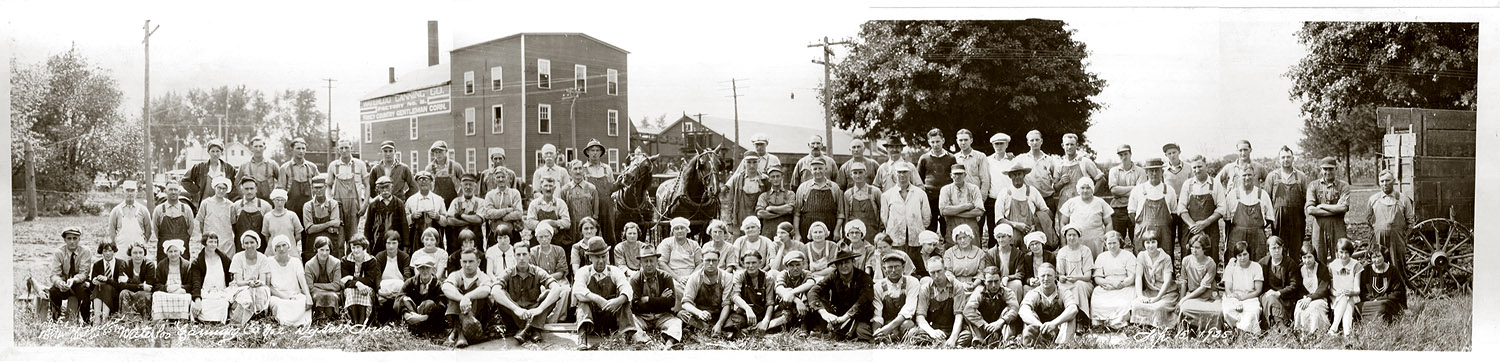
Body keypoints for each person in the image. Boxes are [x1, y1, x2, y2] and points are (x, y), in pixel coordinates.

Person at [491, 238, 567, 344]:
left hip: (534, 313)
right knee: (501, 293)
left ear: (529, 255)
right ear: (514, 256)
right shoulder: (508, 272)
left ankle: (526, 330)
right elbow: (494, 291)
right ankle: (535, 329)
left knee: (550, 293)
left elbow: (556, 288)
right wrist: (516, 308)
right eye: (518, 255)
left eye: (524, 254)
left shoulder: (537, 271)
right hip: (515, 314)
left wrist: (539, 309)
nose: (521, 258)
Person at [572, 237, 640, 343]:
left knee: (624, 301)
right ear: (590, 258)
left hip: (611, 317)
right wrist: (597, 299)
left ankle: (628, 336)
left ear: (607, 256)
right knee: (583, 303)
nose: (601, 261)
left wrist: (619, 300)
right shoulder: (584, 271)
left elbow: (627, 289)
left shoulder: (614, 271)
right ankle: (582, 337)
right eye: (597, 257)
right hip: (592, 320)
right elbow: (577, 291)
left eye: (603, 256)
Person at [810, 251, 875, 342]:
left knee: (862, 333)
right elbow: (814, 291)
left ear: (853, 262)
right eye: (840, 263)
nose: (844, 266)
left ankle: (835, 334)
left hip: (858, 316)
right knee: (819, 300)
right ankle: (826, 331)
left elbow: (864, 300)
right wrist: (824, 313)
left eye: (847, 262)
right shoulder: (833, 276)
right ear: (836, 266)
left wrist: (845, 317)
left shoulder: (864, 278)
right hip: (838, 315)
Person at [882, 163, 932, 277]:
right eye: (899, 172)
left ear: (910, 174)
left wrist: (916, 228)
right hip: (896, 239)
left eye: (905, 172)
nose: (902, 175)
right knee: (898, 268)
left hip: (915, 239)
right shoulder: (887, 195)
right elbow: (884, 218)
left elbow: (926, 217)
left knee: (917, 269)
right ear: (895, 175)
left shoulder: (920, 193)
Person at [632, 245, 686, 345]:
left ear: (657, 261)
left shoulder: (665, 277)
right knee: (631, 323)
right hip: (642, 317)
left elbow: (670, 302)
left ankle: (669, 342)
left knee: (676, 323)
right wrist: (661, 299)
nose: (649, 264)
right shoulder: (635, 279)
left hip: (662, 316)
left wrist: (648, 299)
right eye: (645, 261)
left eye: (651, 260)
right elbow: (635, 305)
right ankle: (646, 342)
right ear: (641, 263)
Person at [995, 162, 1055, 251]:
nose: (1017, 177)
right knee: (1013, 258)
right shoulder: (1004, 193)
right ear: (1010, 176)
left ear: (1024, 175)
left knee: (1030, 258)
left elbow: (1046, 211)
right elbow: (999, 219)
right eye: (1014, 175)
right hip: (1011, 234)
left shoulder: (1032, 191)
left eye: (1019, 174)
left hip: (1030, 233)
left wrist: (1036, 225)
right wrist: (1016, 225)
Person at [1263, 146, 1309, 262]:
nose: (1286, 160)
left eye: (1288, 157)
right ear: (1279, 160)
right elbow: (1266, 200)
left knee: (1296, 250)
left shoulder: (1301, 177)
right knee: (1279, 249)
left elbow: (1306, 198)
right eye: (1283, 157)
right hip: (1278, 220)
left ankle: (1296, 277)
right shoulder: (1272, 177)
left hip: (1297, 219)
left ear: (1293, 158)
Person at [908, 256, 966, 346]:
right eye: (932, 273)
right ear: (928, 272)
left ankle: (946, 342)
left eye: (939, 271)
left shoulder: (957, 286)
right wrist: (932, 332)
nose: (936, 276)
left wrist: (953, 337)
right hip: (933, 328)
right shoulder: (925, 288)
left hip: (951, 328)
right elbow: (920, 316)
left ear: (945, 269)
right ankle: (938, 342)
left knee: (966, 336)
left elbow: (959, 315)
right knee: (913, 333)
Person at [1367, 170, 1415, 277]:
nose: (1385, 183)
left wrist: (1403, 236)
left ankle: (1400, 287)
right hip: (1379, 239)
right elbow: (1369, 221)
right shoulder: (1373, 199)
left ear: (1393, 181)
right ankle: (1381, 287)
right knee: (1379, 263)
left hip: (1397, 240)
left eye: (1387, 180)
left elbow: (1410, 221)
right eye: (1382, 181)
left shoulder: (1403, 199)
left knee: (1398, 265)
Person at [442, 249, 492, 347]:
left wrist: (467, 297)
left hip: (477, 315)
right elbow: (445, 287)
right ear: (460, 262)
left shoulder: (483, 276)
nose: (467, 265)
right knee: (454, 292)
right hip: (461, 313)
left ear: (478, 262)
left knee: (477, 291)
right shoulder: (456, 274)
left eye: (471, 261)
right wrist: (462, 298)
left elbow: (486, 289)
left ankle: (457, 332)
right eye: (464, 262)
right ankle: (460, 332)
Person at [1178, 154, 1224, 262]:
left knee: (1211, 255)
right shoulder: (1187, 184)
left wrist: (1205, 223)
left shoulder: (1215, 184)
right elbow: (1181, 208)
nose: (1197, 170)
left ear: (1206, 166)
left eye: (1199, 166)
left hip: (1210, 228)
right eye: (1194, 167)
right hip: (1191, 229)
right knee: (1189, 256)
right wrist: (1193, 225)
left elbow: (1221, 208)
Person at [1019, 263, 1079, 346]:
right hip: (1040, 332)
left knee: (1071, 316)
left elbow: (1073, 308)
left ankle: (1064, 346)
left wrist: (1054, 324)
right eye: (1043, 276)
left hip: (1059, 331)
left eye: (1049, 275)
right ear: (1038, 277)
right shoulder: (1034, 293)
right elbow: (1023, 310)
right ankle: (1032, 345)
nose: (1046, 279)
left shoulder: (1064, 292)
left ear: (1055, 276)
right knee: (1029, 314)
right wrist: (1040, 326)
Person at [1128, 158, 1177, 257]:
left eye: (1157, 170)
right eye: (1151, 170)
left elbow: (1174, 214)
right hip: (1143, 234)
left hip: (1164, 235)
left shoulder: (1169, 190)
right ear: (1146, 172)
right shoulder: (1137, 190)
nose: (1154, 173)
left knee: (1164, 260)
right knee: (1142, 261)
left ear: (1162, 172)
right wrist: (1143, 225)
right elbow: (1131, 214)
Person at [1130, 230, 1178, 329]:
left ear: (1158, 243)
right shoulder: (1141, 256)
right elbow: (1138, 276)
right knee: (1136, 305)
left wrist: (1158, 298)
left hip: (1166, 292)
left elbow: (1167, 281)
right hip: (1150, 291)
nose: (1150, 245)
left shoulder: (1166, 258)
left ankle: (1160, 326)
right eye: (1147, 242)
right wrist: (1140, 295)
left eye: (1153, 242)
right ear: (1143, 244)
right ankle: (1144, 325)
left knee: (1158, 307)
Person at [1224, 166, 1275, 261]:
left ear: (1254, 176)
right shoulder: (1232, 195)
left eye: (1249, 175)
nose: (1247, 178)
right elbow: (1226, 219)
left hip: (1257, 237)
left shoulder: (1262, 194)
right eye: (1244, 175)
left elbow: (1269, 219)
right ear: (1239, 177)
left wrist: (1255, 228)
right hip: (1237, 235)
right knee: (1236, 263)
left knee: (1259, 263)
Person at [963, 265, 1021, 346]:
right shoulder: (979, 292)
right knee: (971, 314)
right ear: (984, 282)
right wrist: (985, 325)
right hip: (983, 327)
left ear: (1000, 280)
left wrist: (1000, 322)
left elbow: (1015, 309)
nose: (993, 285)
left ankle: (1007, 341)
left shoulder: (1007, 292)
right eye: (990, 282)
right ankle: (979, 340)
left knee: (1008, 311)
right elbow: (968, 310)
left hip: (1001, 326)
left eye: (996, 281)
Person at [1090, 232, 1138, 329]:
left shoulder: (1128, 256)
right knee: (1097, 295)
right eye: (1109, 243)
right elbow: (1097, 278)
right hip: (1107, 285)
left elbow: (1132, 277)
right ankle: (1100, 322)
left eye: (1114, 243)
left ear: (1120, 243)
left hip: (1124, 285)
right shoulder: (1101, 257)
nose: (1112, 246)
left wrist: (1121, 284)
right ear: (1105, 244)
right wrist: (1110, 284)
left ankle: (1118, 322)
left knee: (1124, 302)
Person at [1306, 157, 1350, 262]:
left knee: (1341, 256)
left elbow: (1343, 208)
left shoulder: (1343, 186)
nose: (1328, 172)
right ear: (1321, 170)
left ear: (1336, 169)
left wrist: (1322, 206)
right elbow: (1311, 210)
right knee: (1319, 257)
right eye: (1325, 169)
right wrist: (1335, 210)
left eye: (1331, 169)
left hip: (1338, 225)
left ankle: (1340, 278)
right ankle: (1322, 279)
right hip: (1319, 226)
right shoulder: (1313, 185)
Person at [329, 140, 370, 248]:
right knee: (339, 238)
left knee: (353, 238)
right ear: (338, 150)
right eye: (341, 148)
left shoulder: (360, 164)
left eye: (346, 147)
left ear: (351, 148)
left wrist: (365, 204)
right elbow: (328, 185)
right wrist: (329, 202)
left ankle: (352, 262)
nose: (344, 150)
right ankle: (340, 263)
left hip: (354, 205)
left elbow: (367, 185)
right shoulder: (334, 165)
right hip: (338, 205)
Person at [725, 251, 777, 338]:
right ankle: (751, 330)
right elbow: (735, 296)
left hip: (762, 314)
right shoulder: (739, 276)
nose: (751, 266)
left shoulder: (768, 278)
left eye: (754, 262)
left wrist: (766, 321)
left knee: (781, 318)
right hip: (744, 314)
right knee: (732, 323)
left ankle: (754, 329)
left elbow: (770, 302)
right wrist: (747, 309)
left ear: (760, 263)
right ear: (743, 263)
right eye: (747, 263)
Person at [48, 227, 94, 323]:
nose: (72, 241)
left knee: (85, 291)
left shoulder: (85, 251)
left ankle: (86, 320)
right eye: (69, 238)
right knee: (53, 291)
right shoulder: (59, 252)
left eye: (75, 238)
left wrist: (73, 280)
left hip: (79, 282)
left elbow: (84, 273)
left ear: (79, 239)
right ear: (64, 240)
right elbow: (54, 274)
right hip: (64, 282)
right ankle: (55, 319)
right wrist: (59, 283)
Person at [871, 251, 920, 341]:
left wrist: (889, 327)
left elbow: (909, 309)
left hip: (905, 322)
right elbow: (877, 314)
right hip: (888, 323)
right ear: (884, 268)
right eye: (890, 267)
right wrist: (877, 331)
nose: (893, 270)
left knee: (907, 325)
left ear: (903, 267)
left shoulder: (912, 282)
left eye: (897, 266)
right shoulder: (878, 286)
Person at [265, 236, 313, 326]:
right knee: (279, 305)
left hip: (294, 295)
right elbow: (268, 286)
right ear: (274, 249)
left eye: (284, 245)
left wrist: (308, 296)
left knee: (303, 301)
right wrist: (283, 297)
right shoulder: (269, 261)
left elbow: (302, 281)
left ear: (289, 246)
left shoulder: (296, 261)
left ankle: (301, 322)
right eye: (278, 246)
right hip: (277, 296)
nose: (282, 249)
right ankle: (285, 322)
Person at [1059, 178, 1112, 259]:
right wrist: (1064, 243)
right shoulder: (1071, 203)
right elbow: (1063, 223)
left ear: (1092, 189)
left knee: (1096, 264)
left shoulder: (1100, 202)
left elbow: (1108, 223)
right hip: (1077, 240)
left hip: (1096, 241)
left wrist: (1107, 241)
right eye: (1082, 188)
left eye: (1088, 188)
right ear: (1078, 189)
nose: (1085, 191)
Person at [1178, 234, 1222, 330]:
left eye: (1197, 248)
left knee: (1217, 312)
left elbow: (1203, 288)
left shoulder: (1210, 263)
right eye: (1192, 247)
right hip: (1192, 294)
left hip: (1208, 295)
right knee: (1184, 309)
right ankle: (1189, 329)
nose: (1194, 250)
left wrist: (1185, 299)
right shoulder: (1186, 261)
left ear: (1204, 249)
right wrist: (1181, 299)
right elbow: (1184, 281)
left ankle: (1210, 330)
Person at [227, 231, 272, 324]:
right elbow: (238, 281)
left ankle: (256, 316)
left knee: (260, 293)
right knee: (246, 298)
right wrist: (248, 283)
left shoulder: (263, 258)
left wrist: (257, 283)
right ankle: (239, 321)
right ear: (243, 245)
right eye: (246, 243)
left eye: (252, 242)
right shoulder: (237, 257)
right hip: (241, 287)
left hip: (258, 286)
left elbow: (263, 280)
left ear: (257, 243)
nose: (249, 245)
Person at [1053, 134, 1103, 216]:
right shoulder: (1059, 164)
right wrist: (1061, 182)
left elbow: (1101, 179)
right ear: (1063, 146)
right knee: (1064, 227)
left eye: (1072, 144)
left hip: (1082, 204)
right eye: (1067, 144)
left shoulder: (1085, 162)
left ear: (1077, 145)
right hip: (1064, 204)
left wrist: (1090, 195)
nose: (1069, 147)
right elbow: (1055, 188)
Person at [796, 157, 845, 240]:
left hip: (829, 228)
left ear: (825, 169)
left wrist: (836, 231)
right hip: (807, 229)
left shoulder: (834, 187)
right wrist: (797, 234)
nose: (817, 171)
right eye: (815, 169)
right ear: (811, 171)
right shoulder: (803, 187)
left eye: (820, 168)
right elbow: (797, 213)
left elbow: (840, 213)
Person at [1011, 130, 1060, 213]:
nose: (1035, 142)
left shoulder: (1049, 160)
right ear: (1028, 143)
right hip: (1029, 198)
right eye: (1032, 140)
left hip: (1047, 198)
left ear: (1041, 141)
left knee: (1048, 224)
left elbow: (1056, 179)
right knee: (1031, 224)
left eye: (1037, 140)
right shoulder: (1021, 159)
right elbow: (1011, 171)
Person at [1221, 241, 1264, 334]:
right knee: (1229, 310)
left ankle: (1245, 332)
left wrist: (1242, 298)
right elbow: (1228, 289)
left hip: (1250, 297)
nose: (1242, 258)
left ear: (1249, 254)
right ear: (1236, 256)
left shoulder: (1256, 267)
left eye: (1245, 254)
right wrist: (1235, 301)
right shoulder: (1231, 267)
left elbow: (1258, 290)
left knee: (1252, 313)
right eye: (1239, 255)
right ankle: (1233, 330)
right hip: (1233, 297)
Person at [918, 128, 956, 233]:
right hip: (929, 197)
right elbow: (919, 179)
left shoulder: (951, 158)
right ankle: (931, 247)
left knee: (946, 225)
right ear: (929, 142)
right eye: (933, 142)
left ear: (943, 140)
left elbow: (954, 178)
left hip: (946, 197)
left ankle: (947, 247)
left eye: (938, 141)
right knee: (930, 224)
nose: (935, 144)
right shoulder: (924, 158)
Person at [190, 232, 233, 323]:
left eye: (215, 242)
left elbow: (230, 275)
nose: (213, 244)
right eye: (210, 241)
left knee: (223, 304)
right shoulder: (197, 262)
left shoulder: (224, 259)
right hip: (205, 293)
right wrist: (197, 299)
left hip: (221, 292)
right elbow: (196, 282)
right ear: (204, 243)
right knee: (202, 306)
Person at [372, 231, 414, 324]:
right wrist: (379, 290)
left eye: (394, 243)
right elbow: (377, 276)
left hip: (399, 289)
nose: (391, 246)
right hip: (384, 289)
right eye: (388, 243)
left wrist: (402, 292)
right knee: (383, 302)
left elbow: (407, 276)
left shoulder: (404, 257)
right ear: (385, 244)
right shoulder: (380, 256)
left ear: (398, 243)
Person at [1055, 224, 1094, 322]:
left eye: (1074, 235)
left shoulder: (1085, 251)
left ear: (1078, 236)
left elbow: (1088, 276)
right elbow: (1060, 274)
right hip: (1068, 283)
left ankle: (1081, 318)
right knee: (1061, 286)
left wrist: (1076, 278)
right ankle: (1066, 317)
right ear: (1065, 237)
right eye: (1069, 235)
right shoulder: (1062, 252)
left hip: (1084, 283)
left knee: (1078, 286)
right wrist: (1061, 277)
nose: (1071, 238)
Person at [530, 224, 571, 319]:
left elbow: (561, 272)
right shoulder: (533, 252)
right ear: (537, 238)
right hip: (541, 282)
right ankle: (543, 317)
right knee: (544, 291)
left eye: (546, 236)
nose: (544, 239)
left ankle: (556, 319)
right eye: (541, 237)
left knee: (565, 290)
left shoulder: (559, 250)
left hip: (559, 280)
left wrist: (548, 277)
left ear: (551, 236)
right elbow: (533, 272)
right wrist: (544, 280)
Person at [1108, 145, 1145, 246]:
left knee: (1138, 239)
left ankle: (1138, 261)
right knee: (1117, 240)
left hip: (1136, 209)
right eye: (1121, 155)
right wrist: (1134, 188)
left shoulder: (1140, 171)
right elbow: (1114, 190)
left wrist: (1122, 191)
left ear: (1130, 154)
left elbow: (1141, 191)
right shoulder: (1114, 171)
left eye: (1125, 154)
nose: (1123, 157)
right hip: (1118, 209)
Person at [774, 250, 818, 334]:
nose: (795, 268)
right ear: (787, 267)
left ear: (803, 265)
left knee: (808, 296)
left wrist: (791, 293)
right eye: (791, 265)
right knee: (784, 317)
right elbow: (779, 289)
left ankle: (803, 328)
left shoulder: (806, 273)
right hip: (785, 307)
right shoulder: (783, 274)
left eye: (798, 265)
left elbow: (811, 283)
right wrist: (797, 300)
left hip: (803, 309)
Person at [1259, 236, 1300, 327]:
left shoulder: (1290, 263)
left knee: (1272, 301)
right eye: (1274, 248)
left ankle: (1279, 328)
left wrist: (1279, 293)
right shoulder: (1263, 263)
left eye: (1279, 248)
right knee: (1270, 299)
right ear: (1268, 249)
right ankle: (1283, 328)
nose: (1277, 251)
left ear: (1282, 248)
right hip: (1267, 295)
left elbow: (1294, 285)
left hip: (1285, 298)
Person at [444, 174, 490, 254]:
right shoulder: (455, 201)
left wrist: (461, 216)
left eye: (470, 185)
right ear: (461, 186)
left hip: (476, 241)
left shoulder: (480, 202)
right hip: (456, 242)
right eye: (465, 184)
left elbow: (479, 219)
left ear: (475, 186)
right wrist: (471, 221)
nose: (468, 187)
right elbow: (449, 220)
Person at [399, 256, 447, 334]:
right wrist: (406, 314)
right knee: (404, 299)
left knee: (429, 303)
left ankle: (423, 330)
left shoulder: (438, 285)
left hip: (429, 319)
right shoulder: (410, 282)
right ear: (417, 269)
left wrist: (422, 318)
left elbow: (442, 306)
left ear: (433, 269)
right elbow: (399, 298)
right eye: (421, 268)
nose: (425, 271)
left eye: (427, 268)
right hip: (412, 315)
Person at [726, 152, 770, 235]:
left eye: (754, 162)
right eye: (749, 162)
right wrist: (729, 222)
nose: (752, 165)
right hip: (739, 218)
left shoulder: (765, 180)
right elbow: (730, 201)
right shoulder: (737, 179)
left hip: (759, 220)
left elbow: (769, 201)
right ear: (744, 163)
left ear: (759, 162)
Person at [151, 183, 198, 261]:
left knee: (183, 269)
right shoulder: (159, 209)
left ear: (179, 192)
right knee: (163, 270)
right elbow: (156, 229)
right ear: (166, 191)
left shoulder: (186, 209)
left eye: (175, 190)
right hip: (164, 248)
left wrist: (183, 238)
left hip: (182, 246)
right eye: (170, 189)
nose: (173, 192)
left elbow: (190, 228)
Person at [984, 133, 1015, 247]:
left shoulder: (1013, 160)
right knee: (993, 230)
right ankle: (993, 258)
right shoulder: (987, 161)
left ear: (1007, 144)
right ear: (992, 145)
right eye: (996, 144)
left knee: (1008, 229)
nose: (999, 146)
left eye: (1002, 143)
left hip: (1009, 200)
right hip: (992, 200)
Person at [1359, 246, 1406, 323]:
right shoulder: (1366, 270)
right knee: (1358, 308)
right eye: (1374, 257)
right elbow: (1363, 291)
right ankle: (1372, 320)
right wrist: (1372, 300)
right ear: (1370, 258)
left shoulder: (1392, 270)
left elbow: (1398, 292)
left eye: (1379, 256)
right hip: (1370, 303)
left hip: (1388, 302)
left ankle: (1375, 320)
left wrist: (1379, 299)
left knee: (1382, 307)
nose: (1377, 260)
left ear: (1384, 255)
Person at [940, 164, 986, 243]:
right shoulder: (945, 189)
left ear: (965, 174)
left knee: (973, 251)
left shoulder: (974, 188)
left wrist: (954, 212)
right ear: (951, 175)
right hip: (952, 226)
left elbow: (979, 211)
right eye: (955, 174)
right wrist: (966, 206)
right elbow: (944, 211)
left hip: (971, 226)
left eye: (960, 174)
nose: (958, 176)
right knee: (952, 252)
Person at [1293, 243, 1333, 334]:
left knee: (1314, 308)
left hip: (1320, 298)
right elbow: (1298, 288)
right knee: (1300, 307)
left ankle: (1315, 334)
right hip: (1305, 299)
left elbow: (1323, 289)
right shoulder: (1299, 269)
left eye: (1309, 257)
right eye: (1304, 257)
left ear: (1314, 257)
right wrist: (1305, 298)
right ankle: (1301, 334)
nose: (1307, 260)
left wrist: (1310, 298)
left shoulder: (1322, 268)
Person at [279, 138, 320, 225]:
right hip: (291, 207)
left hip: (309, 207)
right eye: (298, 148)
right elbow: (281, 191)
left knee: (308, 231)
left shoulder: (312, 167)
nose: (301, 151)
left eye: (303, 148)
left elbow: (319, 187)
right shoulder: (285, 168)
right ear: (292, 149)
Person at [480, 169, 526, 247]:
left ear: (507, 178)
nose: (501, 179)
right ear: (494, 179)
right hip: (495, 232)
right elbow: (488, 214)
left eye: (503, 177)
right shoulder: (490, 195)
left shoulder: (514, 193)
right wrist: (506, 210)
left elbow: (518, 213)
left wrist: (502, 217)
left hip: (512, 232)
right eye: (498, 177)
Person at [303, 174, 344, 259]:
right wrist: (329, 224)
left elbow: (336, 226)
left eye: (320, 187)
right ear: (312, 189)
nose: (318, 190)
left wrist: (316, 227)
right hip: (313, 246)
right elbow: (310, 229)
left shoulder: (333, 204)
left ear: (325, 187)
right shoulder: (308, 206)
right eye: (316, 188)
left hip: (330, 245)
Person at [185, 139, 239, 204]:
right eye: (212, 151)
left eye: (217, 151)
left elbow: (236, 183)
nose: (215, 154)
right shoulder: (199, 167)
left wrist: (231, 196)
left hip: (223, 204)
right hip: (204, 203)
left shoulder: (229, 168)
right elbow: (185, 180)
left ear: (221, 152)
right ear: (208, 152)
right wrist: (196, 191)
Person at [304, 237, 344, 322]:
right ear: (316, 249)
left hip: (332, 292)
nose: (324, 253)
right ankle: (319, 317)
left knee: (331, 296)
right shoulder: (309, 265)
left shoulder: (336, 263)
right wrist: (324, 287)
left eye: (327, 250)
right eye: (321, 250)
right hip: (316, 293)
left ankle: (331, 318)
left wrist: (316, 285)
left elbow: (337, 286)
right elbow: (310, 287)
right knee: (318, 296)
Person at [560, 160, 601, 243]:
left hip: (588, 230)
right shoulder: (565, 190)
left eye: (580, 168)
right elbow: (562, 212)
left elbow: (595, 213)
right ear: (570, 171)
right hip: (571, 231)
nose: (578, 171)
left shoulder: (591, 188)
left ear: (583, 170)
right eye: (575, 169)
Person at [151, 239, 193, 321]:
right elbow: (156, 284)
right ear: (166, 253)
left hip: (180, 292)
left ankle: (182, 320)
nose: (173, 254)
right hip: (166, 292)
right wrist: (166, 288)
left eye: (175, 251)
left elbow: (191, 284)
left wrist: (181, 288)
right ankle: (160, 320)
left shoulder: (187, 265)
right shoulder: (161, 265)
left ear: (180, 251)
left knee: (186, 297)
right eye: (170, 251)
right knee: (157, 296)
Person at [366, 176, 410, 252]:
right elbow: (368, 225)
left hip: (395, 241)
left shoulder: (399, 203)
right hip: (377, 242)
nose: (385, 190)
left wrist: (406, 245)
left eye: (387, 187)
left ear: (392, 187)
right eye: (382, 188)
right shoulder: (373, 204)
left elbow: (404, 225)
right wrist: (367, 244)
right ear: (378, 189)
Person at [1327, 238, 1361, 336]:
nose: (1343, 255)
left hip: (1352, 295)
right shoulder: (1333, 265)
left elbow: (1357, 289)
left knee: (1346, 298)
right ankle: (1347, 332)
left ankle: (1334, 328)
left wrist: (1351, 292)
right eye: (1341, 252)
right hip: (1336, 297)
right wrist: (1334, 292)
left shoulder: (1356, 265)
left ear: (1350, 252)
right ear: (1337, 252)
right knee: (1344, 298)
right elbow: (1331, 288)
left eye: (1346, 252)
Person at [87, 242, 129, 323]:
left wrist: (107, 280)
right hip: (99, 293)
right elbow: (92, 286)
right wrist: (94, 281)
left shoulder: (121, 263)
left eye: (110, 251)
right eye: (105, 251)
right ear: (101, 252)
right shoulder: (97, 264)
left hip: (115, 295)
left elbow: (120, 285)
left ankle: (104, 318)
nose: (108, 254)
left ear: (114, 251)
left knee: (106, 287)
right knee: (98, 287)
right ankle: (97, 317)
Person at [943, 224, 985, 302]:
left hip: (974, 284)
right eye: (959, 238)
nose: (962, 240)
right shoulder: (949, 253)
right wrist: (960, 285)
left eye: (964, 237)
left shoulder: (980, 253)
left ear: (970, 237)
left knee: (978, 295)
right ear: (956, 240)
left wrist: (974, 284)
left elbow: (981, 273)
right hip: (955, 284)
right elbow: (948, 272)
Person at [407, 171, 447, 252]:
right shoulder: (411, 200)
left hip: (434, 238)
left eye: (426, 180)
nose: (423, 182)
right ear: (417, 182)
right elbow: (404, 222)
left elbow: (445, 222)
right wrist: (412, 216)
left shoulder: (438, 199)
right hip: (416, 239)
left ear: (431, 182)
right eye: (420, 180)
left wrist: (438, 217)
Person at [109, 181, 154, 251]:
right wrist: (117, 244)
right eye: (127, 190)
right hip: (121, 249)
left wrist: (142, 244)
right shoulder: (116, 211)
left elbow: (149, 231)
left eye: (132, 190)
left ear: (136, 192)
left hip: (138, 251)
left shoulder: (143, 210)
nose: (130, 193)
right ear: (123, 192)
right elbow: (112, 231)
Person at [232, 177, 273, 253]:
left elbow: (269, 228)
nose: (249, 191)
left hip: (261, 246)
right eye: (246, 189)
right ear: (242, 190)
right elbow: (233, 227)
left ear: (256, 189)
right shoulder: (235, 206)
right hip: (241, 246)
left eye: (251, 188)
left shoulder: (265, 206)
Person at [342, 237, 377, 325]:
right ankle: (354, 321)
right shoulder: (345, 261)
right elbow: (345, 281)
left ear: (363, 248)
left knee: (364, 291)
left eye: (358, 247)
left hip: (367, 288)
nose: (356, 250)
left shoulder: (371, 260)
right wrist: (357, 283)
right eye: (353, 248)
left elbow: (370, 281)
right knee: (351, 291)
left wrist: (352, 278)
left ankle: (363, 321)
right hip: (350, 288)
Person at [198, 177, 238, 256]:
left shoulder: (231, 205)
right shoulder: (206, 203)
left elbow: (233, 224)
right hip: (211, 240)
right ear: (214, 188)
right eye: (219, 188)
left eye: (224, 188)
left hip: (226, 241)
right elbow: (201, 222)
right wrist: (206, 236)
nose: (221, 190)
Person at [842, 162, 884, 238]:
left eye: (860, 172)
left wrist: (880, 230)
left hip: (872, 232)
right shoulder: (848, 194)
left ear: (866, 173)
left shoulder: (875, 192)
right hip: (855, 234)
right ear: (851, 175)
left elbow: (883, 212)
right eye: (855, 173)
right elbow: (846, 216)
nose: (858, 176)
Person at [657, 217, 703, 283]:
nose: (680, 231)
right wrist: (678, 278)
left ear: (687, 230)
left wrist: (691, 278)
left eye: (682, 228)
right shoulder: (667, 243)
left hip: (692, 277)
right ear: (672, 231)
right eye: (676, 228)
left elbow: (700, 264)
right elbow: (662, 263)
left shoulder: (694, 245)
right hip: (672, 277)